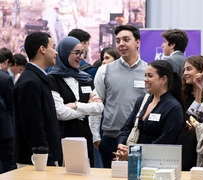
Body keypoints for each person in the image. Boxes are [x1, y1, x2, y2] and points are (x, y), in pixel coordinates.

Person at [94, 25, 148, 168]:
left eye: (126, 39)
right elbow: (96, 106)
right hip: (111, 138)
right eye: (118, 41)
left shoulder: (149, 71)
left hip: (138, 138)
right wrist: (96, 138)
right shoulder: (104, 70)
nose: (121, 44)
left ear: (137, 42)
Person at [48, 36, 104, 167]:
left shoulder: (85, 78)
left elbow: (99, 108)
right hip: (63, 136)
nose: (81, 57)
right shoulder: (53, 79)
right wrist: (86, 110)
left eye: (82, 53)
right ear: (64, 53)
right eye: (77, 53)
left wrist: (75, 106)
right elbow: (60, 113)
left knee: (85, 175)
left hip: (85, 135)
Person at [115, 60, 185, 161]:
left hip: (156, 163)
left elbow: (164, 142)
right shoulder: (142, 101)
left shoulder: (174, 108)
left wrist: (133, 153)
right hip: (133, 161)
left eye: (150, 76)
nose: (145, 80)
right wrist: (121, 145)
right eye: (145, 75)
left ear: (163, 79)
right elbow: (126, 128)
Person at [13, 32, 62, 167]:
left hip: (42, 160)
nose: (56, 52)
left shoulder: (37, 78)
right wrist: (47, 160)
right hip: (36, 163)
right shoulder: (30, 82)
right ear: (42, 49)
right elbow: (33, 127)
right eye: (53, 47)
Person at [175, 55, 203, 171]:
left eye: (189, 69)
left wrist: (199, 90)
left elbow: (200, 118)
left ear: (201, 70)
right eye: (184, 70)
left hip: (201, 142)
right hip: (184, 142)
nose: (185, 73)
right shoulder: (181, 94)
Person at [0, 52, 17, 173]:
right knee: (9, 165)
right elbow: (12, 105)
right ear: (6, 62)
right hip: (4, 129)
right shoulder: (5, 78)